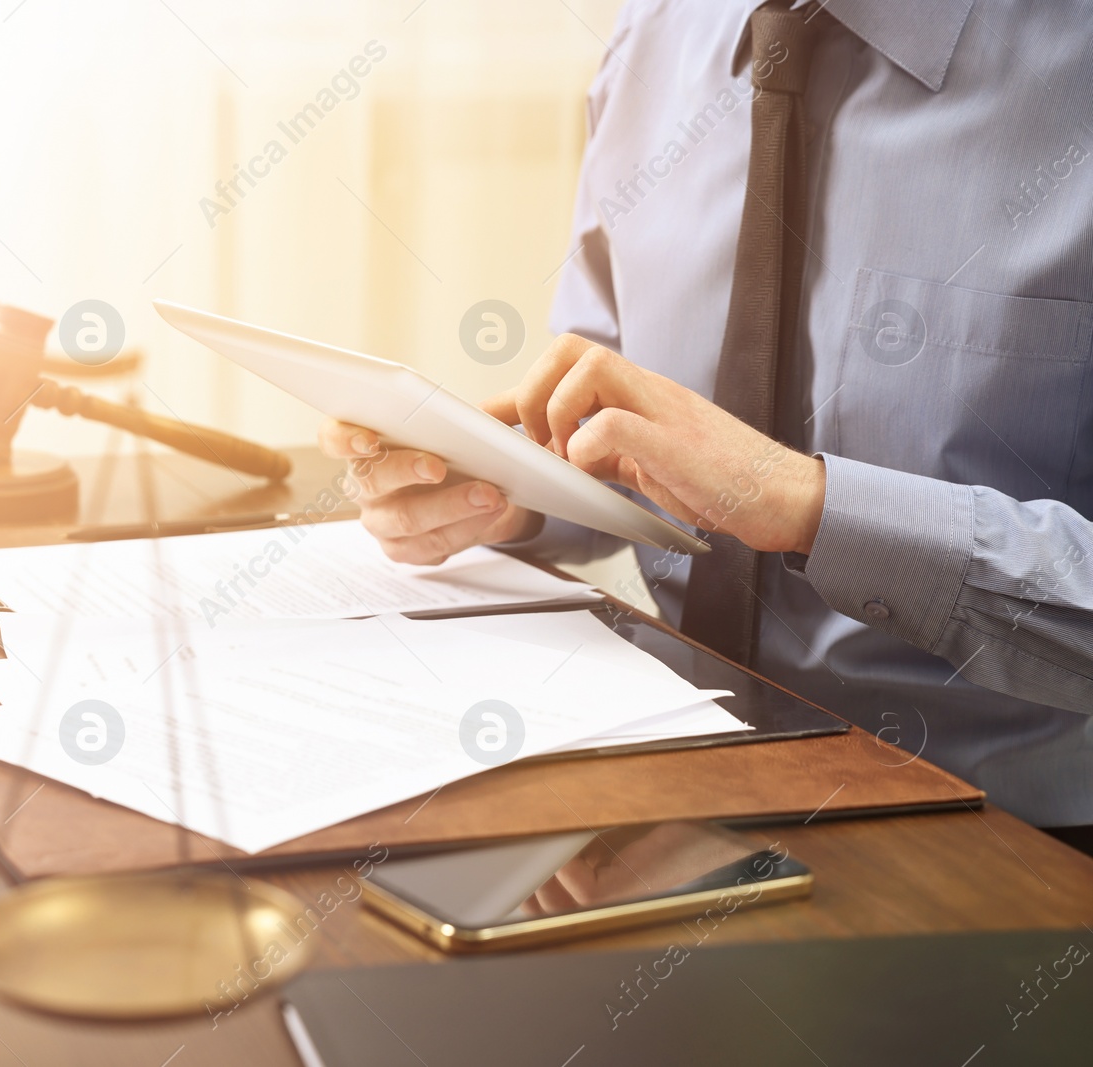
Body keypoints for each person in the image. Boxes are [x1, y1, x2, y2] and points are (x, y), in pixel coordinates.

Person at [320, 0, 1093, 848]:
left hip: (1007, 837)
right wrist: (509, 483)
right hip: (658, 776)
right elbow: (614, 404)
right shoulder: (656, 29)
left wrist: (805, 504)